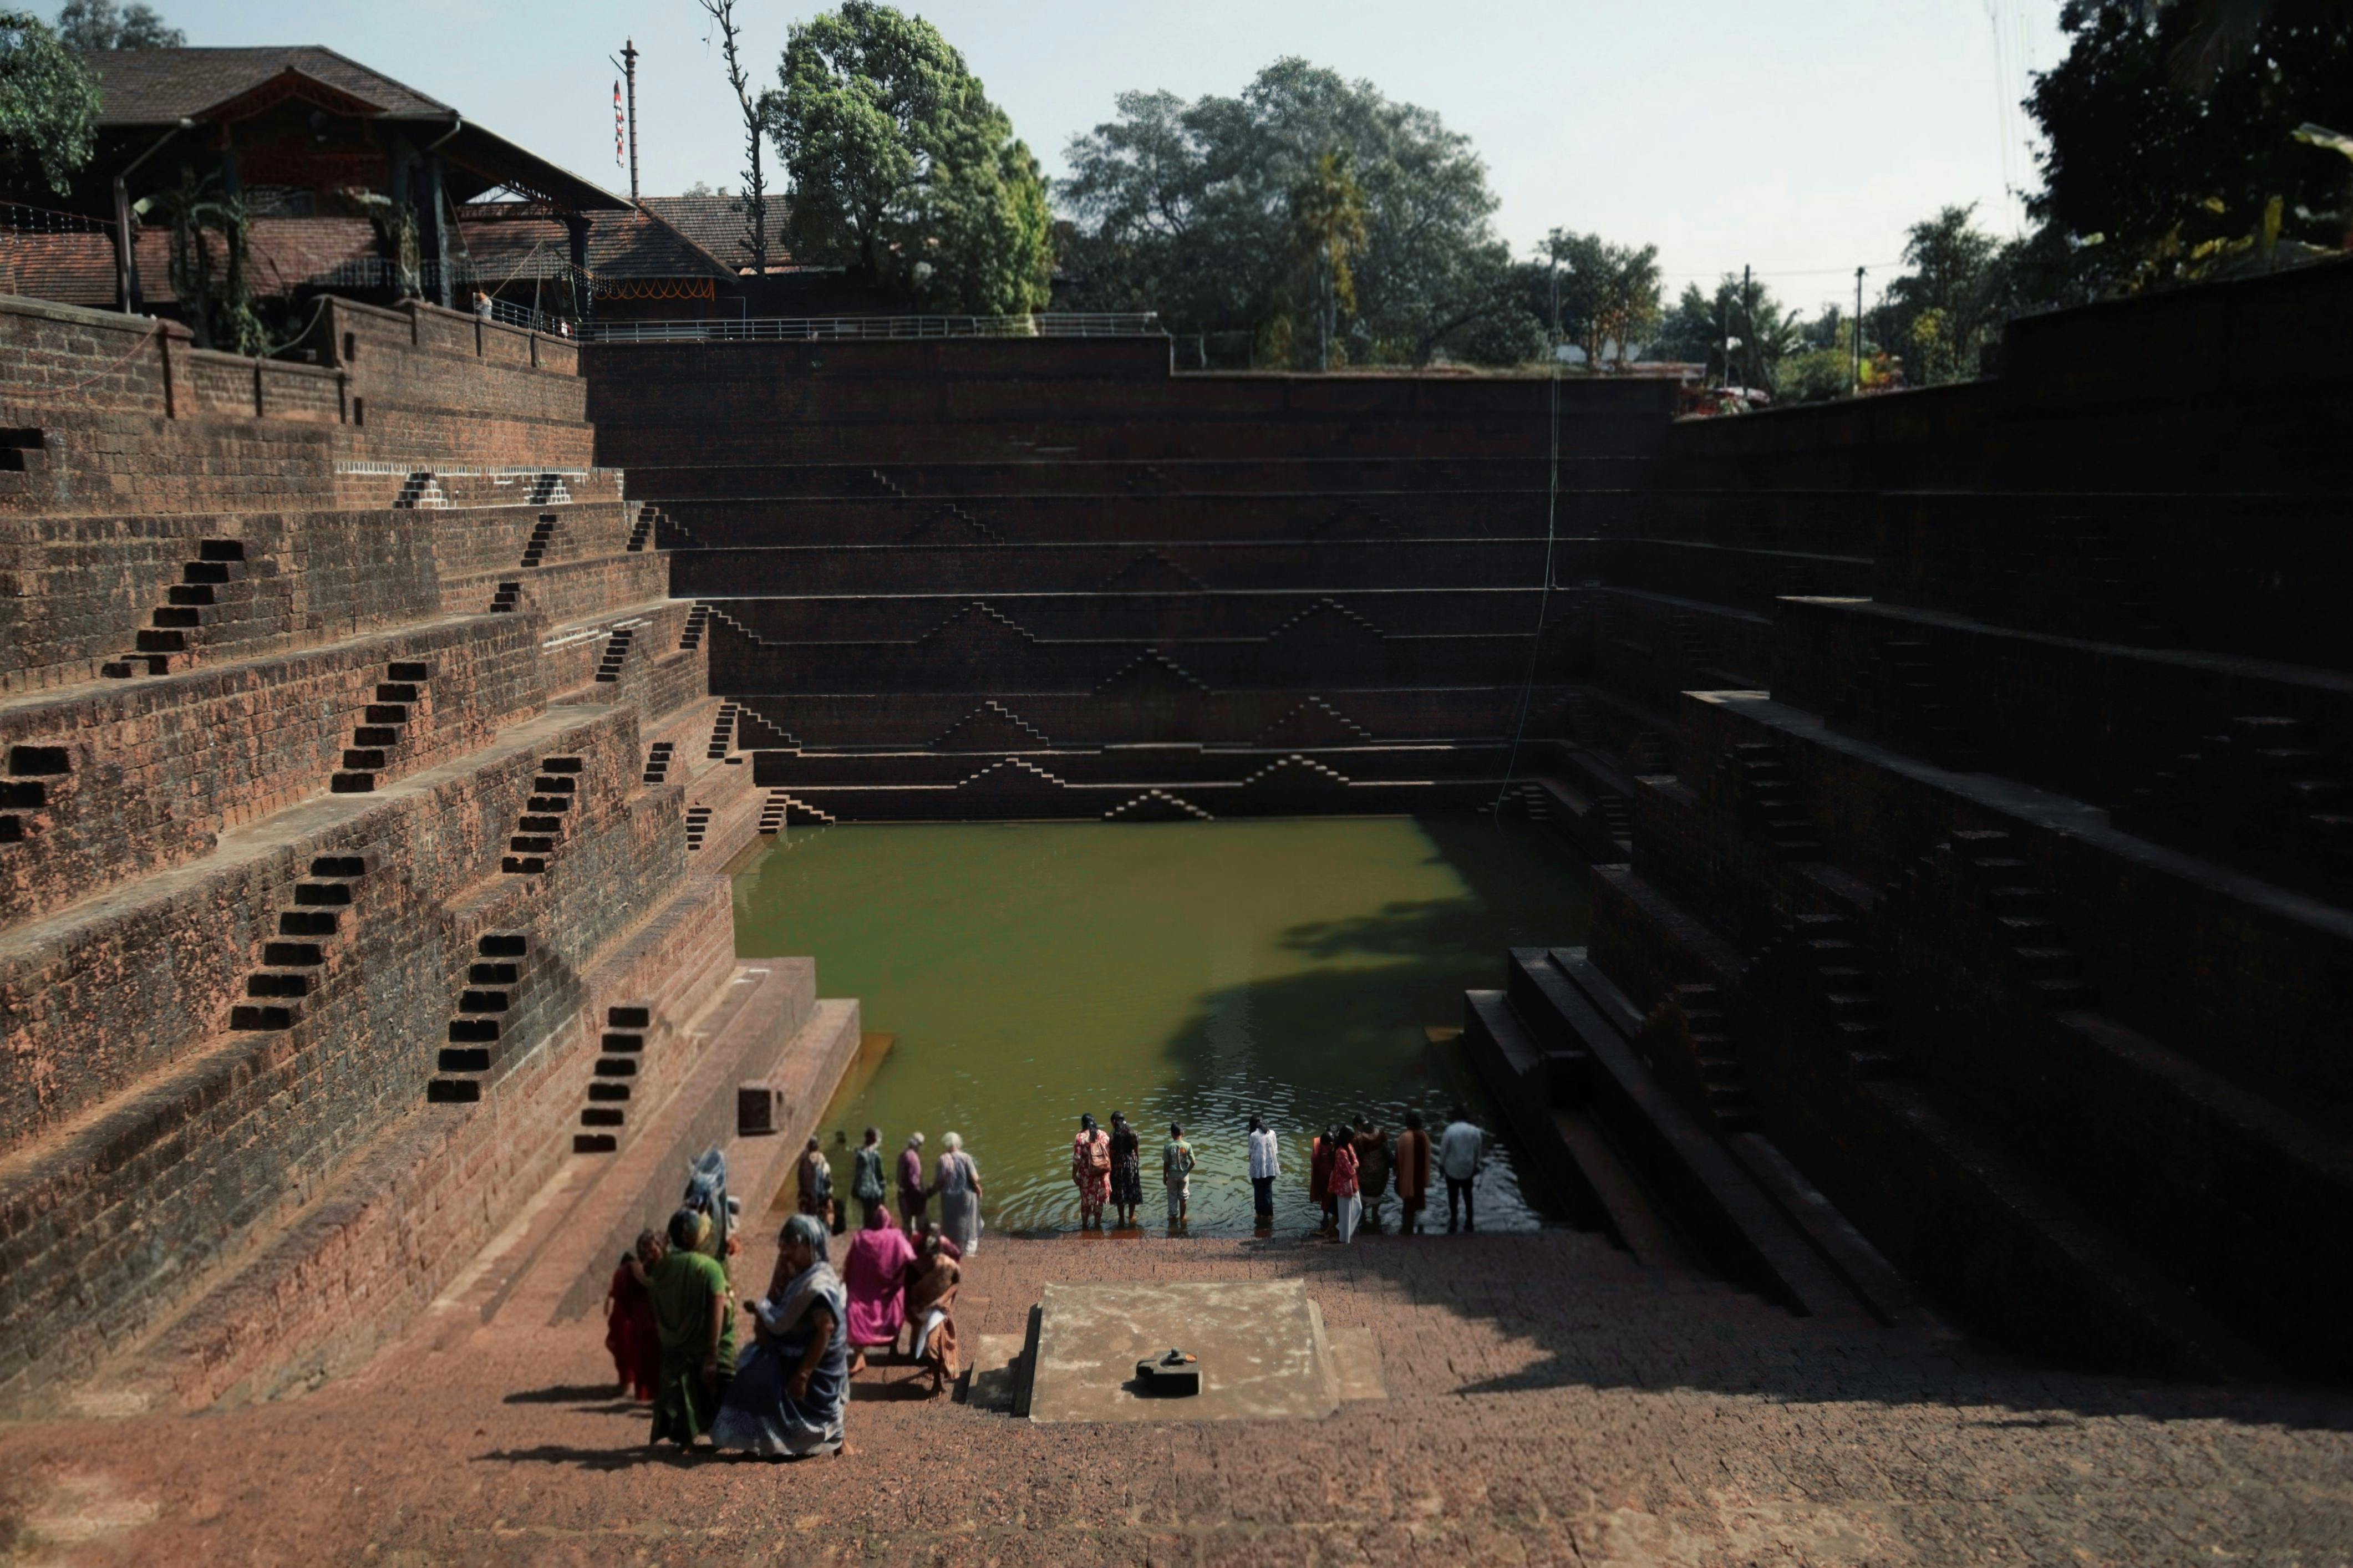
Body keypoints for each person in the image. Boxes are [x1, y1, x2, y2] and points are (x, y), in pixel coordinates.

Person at [710, 1213, 848, 1458]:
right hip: (797, 1352)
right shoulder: (805, 1274)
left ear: (809, 1246)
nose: (785, 1254)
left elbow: (825, 1329)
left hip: (813, 1367)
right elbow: (788, 1311)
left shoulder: (817, 1285)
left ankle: (767, 1441)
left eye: (792, 1248)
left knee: (753, 1380)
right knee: (750, 1366)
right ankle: (761, 1440)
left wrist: (803, 1376)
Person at [647, 1208, 730, 1447]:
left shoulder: (661, 1268)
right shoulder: (709, 1267)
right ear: (688, 1235)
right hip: (701, 1350)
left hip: (672, 1348)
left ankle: (683, 1438)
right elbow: (718, 1304)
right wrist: (713, 1352)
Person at [842, 1201, 916, 1376]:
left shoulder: (861, 1238)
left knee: (853, 1304)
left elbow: (849, 1267)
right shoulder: (896, 1236)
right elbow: (911, 1260)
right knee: (899, 1297)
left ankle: (859, 1354)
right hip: (889, 1295)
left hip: (863, 1296)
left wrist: (853, 1286)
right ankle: (893, 1349)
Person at [901, 1226, 963, 1397]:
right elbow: (908, 1290)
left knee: (933, 1346)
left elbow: (957, 1283)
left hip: (938, 1310)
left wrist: (944, 1301)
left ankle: (937, 1384)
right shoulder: (914, 1267)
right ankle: (931, 1367)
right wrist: (914, 1309)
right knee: (923, 1347)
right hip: (921, 1308)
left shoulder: (948, 1265)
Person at [603, 1230, 659, 1401]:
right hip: (642, 1322)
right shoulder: (659, 1271)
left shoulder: (626, 1273)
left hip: (636, 1322)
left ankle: (631, 1385)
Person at [933, 1131, 983, 1256]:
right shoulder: (966, 1157)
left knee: (950, 1222)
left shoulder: (942, 1159)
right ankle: (969, 1252)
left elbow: (938, 1181)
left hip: (948, 1197)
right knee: (970, 1222)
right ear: (958, 1143)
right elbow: (975, 1178)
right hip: (966, 1195)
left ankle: (951, 1249)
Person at [1440, 1105, 1484, 1234]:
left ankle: (1454, 1218)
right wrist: (1476, 1166)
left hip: (1452, 1169)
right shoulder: (1475, 1131)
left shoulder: (1450, 1130)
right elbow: (1478, 1151)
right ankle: (1470, 1220)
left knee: (1453, 1195)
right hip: (1468, 1169)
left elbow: (1444, 1150)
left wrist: (1441, 1165)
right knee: (1468, 1194)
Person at [1394, 1111, 1432, 1235]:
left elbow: (1398, 1158)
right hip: (1420, 1177)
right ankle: (1418, 1227)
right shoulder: (1424, 1135)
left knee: (1408, 1204)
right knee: (1417, 1202)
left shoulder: (1405, 1137)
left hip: (1407, 1177)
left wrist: (1397, 1173)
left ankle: (1407, 1229)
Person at [1070, 1113, 1111, 1229]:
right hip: (1102, 1174)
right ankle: (1097, 1226)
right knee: (1099, 1201)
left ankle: (1084, 1227)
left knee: (1086, 1202)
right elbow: (1109, 1155)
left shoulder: (1080, 1137)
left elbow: (1077, 1159)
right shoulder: (1104, 1135)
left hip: (1087, 1175)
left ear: (1083, 1124)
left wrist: (1074, 1175)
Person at [1354, 1119, 1392, 1234]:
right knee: (1377, 1196)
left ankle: (1363, 1219)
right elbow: (1387, 1149)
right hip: (1382, 1173)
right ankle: (1376, 1219)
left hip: (1367, 1174)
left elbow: (1358, 1157)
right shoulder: (1381, 1133)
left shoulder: (1359, 1140)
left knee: (1363, 1198)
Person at [1106, 1111, 1142, 1228]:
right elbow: (1137, 1152)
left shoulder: (1112, 1136)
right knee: (1132, 1188)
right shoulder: (1134, 1133)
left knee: (1120, 1190)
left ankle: (1121, 1218)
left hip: (1118, 1165)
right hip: (1131, 1164)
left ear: (1114, 1122)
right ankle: (1131, 1217)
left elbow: (1111, 1154)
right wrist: (1135, 1163)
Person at [1329, 1123, 1363, 1244]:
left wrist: (1355, 1165)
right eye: (1351, 1137)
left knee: (1358, 1207)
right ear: (1346, 1137)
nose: (1353, 1139)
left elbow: (1355, 1162)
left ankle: (1342, 1230)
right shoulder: (1341, 1152)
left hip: (1351, 1184)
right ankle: (1344, 1238)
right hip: (1344, 1186)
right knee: (1345, 1214)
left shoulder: (1348, 1147)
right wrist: (1356, 1166)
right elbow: (1350, 1171)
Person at [851, 1127, 887, 1230]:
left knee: (867, 1219)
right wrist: (883, 1192)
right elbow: (880, 1176)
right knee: (877, 1219)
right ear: (874, 1139)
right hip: (875, 1192)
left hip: (863, 1192)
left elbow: (858, 1174)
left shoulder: (859, 1153)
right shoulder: (875, 1155)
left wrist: (855, 1189)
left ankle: (868, 1237)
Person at [1247, 1115, 1280, 1224]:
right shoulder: (1272, 1133)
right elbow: (1275, 1150)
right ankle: (1269, 1216)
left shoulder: (1253, 1136)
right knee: (1267, 1193)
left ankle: (1260, 1215)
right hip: (1270, 1169)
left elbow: (1251, 1154)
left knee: (1258, 1192)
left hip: (1257, 1170)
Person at [1162, 1122, 1196, 1226]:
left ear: (1172, 1134)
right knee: (1183, 1196)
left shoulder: (1168, 1146)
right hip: (1184, 1176)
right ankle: (1183, 1217)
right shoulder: (1187, 1146)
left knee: (1172, 1196)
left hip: (1172, 1176)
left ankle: (1173, 1218)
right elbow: (1193, 1162)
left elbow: (1166, 1163)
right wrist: (1187, 1171)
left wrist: (1165, 1176)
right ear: (1183, 1133)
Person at [896, 1132, 929, 1236]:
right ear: (919, 1145)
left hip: (902, 1193)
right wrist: (923, 1194)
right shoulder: (913, 1158)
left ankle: (904, 1247)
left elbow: (898, 1178)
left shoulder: (903, 1154)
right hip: (911, 1195)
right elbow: (914, 1181)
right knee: (919, 1224)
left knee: (907, 1224)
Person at [795, 1137, 832, 1225]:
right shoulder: (822, 1160)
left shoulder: (804, 1160)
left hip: (806, 1195)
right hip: (819, 1195)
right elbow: (827, 1180)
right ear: (818, 1147)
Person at [1309, 1127, 1337, 1236]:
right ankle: (1331, 1221)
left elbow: (1314, 1159)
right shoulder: (1335, 1145)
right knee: (1331, 1197)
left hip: (1323, 1175)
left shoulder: (1318, 1143)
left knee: (1326, 1197)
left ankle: (1326, 1218)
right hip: (1330, 1176)